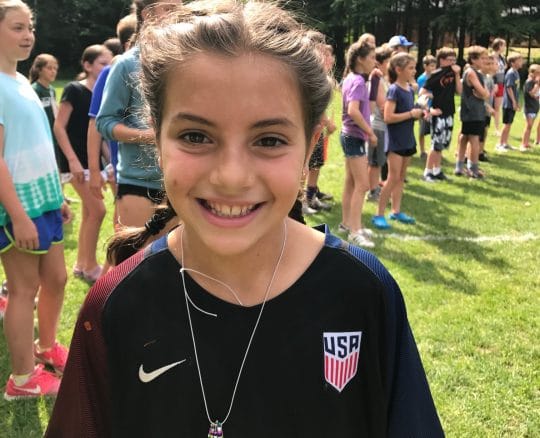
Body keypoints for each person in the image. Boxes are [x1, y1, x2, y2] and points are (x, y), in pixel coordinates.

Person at [46, 1, 444, 436]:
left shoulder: (363, 293)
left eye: (269, 139)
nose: (232, 177)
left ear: (311, 145)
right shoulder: (116, 305)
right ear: (155, 138)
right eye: (195, 136)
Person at [0, 0, 69, 400]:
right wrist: (18, 216)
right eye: (16, 27)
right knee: (23, 290)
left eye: (30, 27)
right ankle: (23, 380)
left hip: (45, 201)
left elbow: (39, 145)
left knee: (57, 279)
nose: (28, 35)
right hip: (19, 207)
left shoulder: (23, 82)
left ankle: (46, 348)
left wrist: (57, 196)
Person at [96, 0, 180, 229]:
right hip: (138, 182)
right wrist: (150, 136)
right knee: (135, 261)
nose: (180, 15)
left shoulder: (185, 61)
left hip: (181, 181)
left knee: (177, 262)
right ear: (149, 15)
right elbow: (104, 122)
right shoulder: (126, 64)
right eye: (170, 8)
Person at [53, 44, 112, 283]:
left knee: (90, 211)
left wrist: (109, 162)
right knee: (98, 210)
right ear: (87, 65)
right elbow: (59, 127)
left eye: (110, 63)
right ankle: (89, 266)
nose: (107, 68)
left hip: (92, 162)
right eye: (102, 63)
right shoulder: (74, 89)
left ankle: (80, 263)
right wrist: (73, 161)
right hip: (75, 164)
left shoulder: (102, 94)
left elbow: (100, 133)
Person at [372, 53, 422, 229]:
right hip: (396, 142)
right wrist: (411, 114)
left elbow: (408, 112)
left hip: (408, 138)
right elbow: (388, 117)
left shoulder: (408, 88)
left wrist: (419, 112)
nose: (414, 71)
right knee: (392, 178)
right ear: (398, 70)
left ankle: (395, 211)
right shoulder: (394, 89)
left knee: (401, 177)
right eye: (410, 68)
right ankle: (378, 214)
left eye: (414, 67)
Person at [339, 41, 377, 247]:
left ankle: (348, 224)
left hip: (349, 136)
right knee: (362, 184)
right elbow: (353, 110)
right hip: (354, 137)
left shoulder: (350, 78)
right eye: (371, 57)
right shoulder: (359, 82)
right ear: (360, 59)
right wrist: (369, 132)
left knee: (351, 182)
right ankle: (355, 231)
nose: (374, 61)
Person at [420, 47, 462, 182]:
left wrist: (457, 75)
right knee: (436, 144)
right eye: (449, 60)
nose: (452, 63)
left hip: (449, 112)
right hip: (438, 113)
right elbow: (422, 93)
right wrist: (429, 109)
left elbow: (460, 91)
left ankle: (437, 170)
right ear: (442, 60)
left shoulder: (453, 74)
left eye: (454, 60)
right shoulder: (436, 74)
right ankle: (427, 171)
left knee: (442, 144)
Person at [455, 46, 490, 179]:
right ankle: (473, 168)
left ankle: (459, 166)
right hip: (474, 111)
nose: (485, 61)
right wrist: (484, 94)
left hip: (470, 110)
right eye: (482, 58)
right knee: (474, 139)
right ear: (473, 59)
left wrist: (483, 94)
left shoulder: (475, 72)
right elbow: (484, 93)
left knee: (464, 137)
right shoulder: (471, 73)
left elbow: (483, 93)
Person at [366, 44, 392, 202]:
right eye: (389, 61)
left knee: (378, 161)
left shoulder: (382, 79)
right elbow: (383, 106)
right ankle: (373, 191)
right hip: (377, 126)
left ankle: (374, 188)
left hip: (382, 127)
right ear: (380, 63)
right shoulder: (377, 79)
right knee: (375, 162)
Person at [496, 52, 523, 152]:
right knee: (507, 124)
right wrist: (514, 102)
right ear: (512, 63)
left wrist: (517, 101)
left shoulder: (516, 72)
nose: (521, 62)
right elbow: (509, 88)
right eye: (519, 60)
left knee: (509, 124)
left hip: (512, 102)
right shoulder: (511, 73)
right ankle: (500, 144)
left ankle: (505, 143)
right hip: (508, 103)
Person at [416, 55, 436, 160]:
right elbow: (421, 94)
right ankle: (422, 151)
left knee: (434, 130)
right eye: (431, 66)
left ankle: (434, 150)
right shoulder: (421, 79)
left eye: (434, 66)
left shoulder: (435, 77)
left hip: (434, 107)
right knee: (422, 131)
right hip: (424, 108)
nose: (433, 68)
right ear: (425, 66)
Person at [519, 64, 540, 151]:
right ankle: (523, 144)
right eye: (538, 72)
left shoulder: (533, 82)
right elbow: (531, 93)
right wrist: (537, 85)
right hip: (529, 108)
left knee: (530, 127)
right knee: (528, 126)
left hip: (534, 107)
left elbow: (535, 96)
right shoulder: (529, 82)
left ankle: (526, 143)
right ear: (532, 73)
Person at [491, 38, 507, 136]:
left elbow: (504, 68)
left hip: (501, 83)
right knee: (488, 105)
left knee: (497, 107)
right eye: (503, 45)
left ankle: (497, 128)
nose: (504, 47)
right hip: (493, 83)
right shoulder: (491, 56)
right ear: (499, 46)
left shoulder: (502, 57)